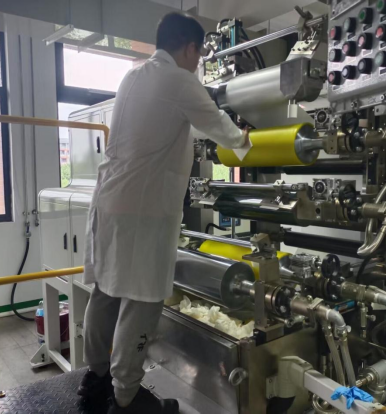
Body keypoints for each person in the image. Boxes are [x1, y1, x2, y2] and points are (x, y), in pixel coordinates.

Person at [78, 12, 250, 415]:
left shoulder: (134, 76)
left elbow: (171, 125)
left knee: (106, 292)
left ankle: (95, 379)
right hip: (142, 212)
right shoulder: (179, 80)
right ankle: (126, 398)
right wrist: (247, 139)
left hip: (110, 203)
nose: (198, 63)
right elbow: (219, 126)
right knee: (142, 300)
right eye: (200, 55)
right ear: (189, 48)